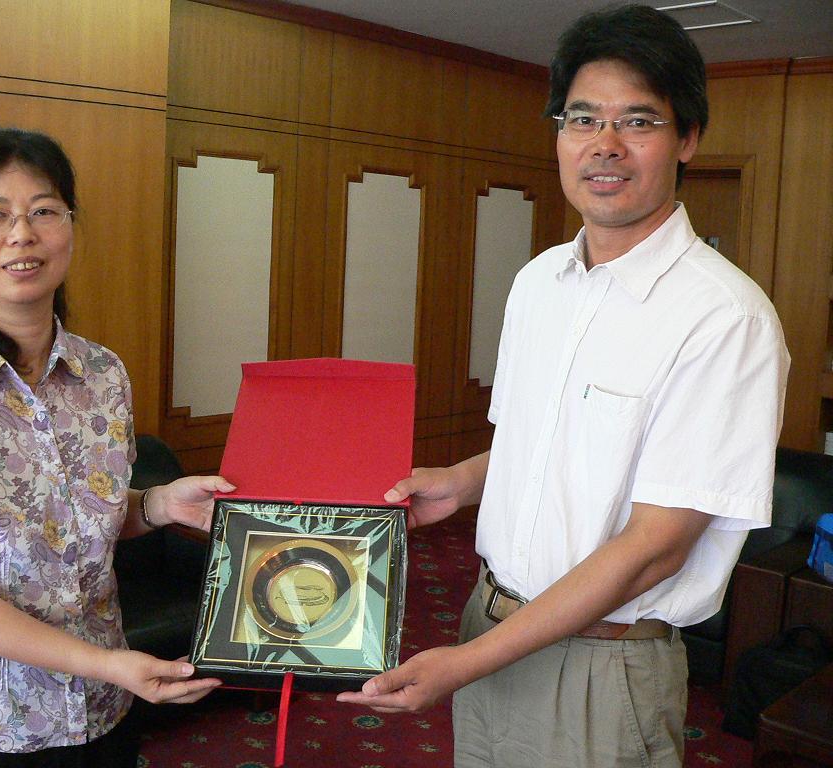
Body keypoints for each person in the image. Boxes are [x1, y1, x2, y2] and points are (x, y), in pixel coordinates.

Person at [337, 6, 790, 768]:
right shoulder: (539, 282)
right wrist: (463, 481)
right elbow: (540, 444)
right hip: (487, 620)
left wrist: (466, 663)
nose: (605, 144)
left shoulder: (726, 319)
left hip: (601, 670)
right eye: (583, 118)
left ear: (687, 138)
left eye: (637, 121)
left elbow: (654, 550)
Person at [0, 127, 227, 766]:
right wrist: (105, 663)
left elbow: (77, 519)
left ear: (69, 227)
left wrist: (160, 504)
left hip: (104, 708)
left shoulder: (103, 374)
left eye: (43, 211)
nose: (22, 234)